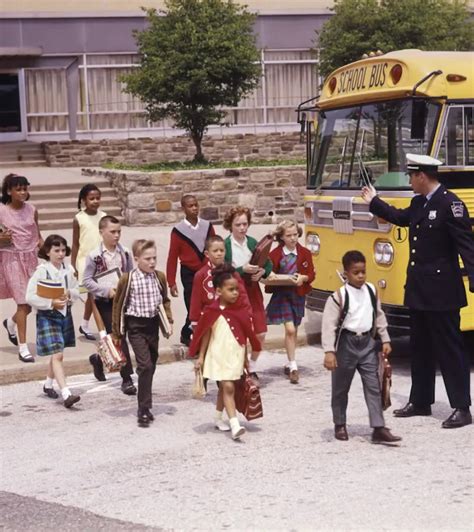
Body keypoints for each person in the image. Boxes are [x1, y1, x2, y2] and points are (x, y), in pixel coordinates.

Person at [362, 153, 474, 429]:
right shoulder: (419, 202)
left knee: (450, 350)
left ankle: (462, 407)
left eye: (411, 176)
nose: (409, 181)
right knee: (420, 347)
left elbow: (467, 246)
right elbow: (400, 218)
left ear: (422, 176)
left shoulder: (451, 205)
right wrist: (374, 201)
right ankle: (421, 400)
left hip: (442, 291)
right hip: (420, 289)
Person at [322, 250, 402, 444]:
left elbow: (379, 315)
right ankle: (340, 423)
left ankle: (378, 427)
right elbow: (328, 326)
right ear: (346, 273)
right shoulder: (338, 296)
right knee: (341, 387)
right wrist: (329, 352)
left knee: (374, 386)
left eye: (363, 272)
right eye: (355, 272)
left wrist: (385, 339)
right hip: (346, 345)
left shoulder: (371, 291)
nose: (360, 276)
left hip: (367, 344)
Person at [190, 264, 261, 440]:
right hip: (218, 354)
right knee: (227, 386)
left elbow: (245, 335)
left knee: (225, 387)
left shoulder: (240, 310)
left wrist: (246, 358)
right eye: (231, 290)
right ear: (219, 291)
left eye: (237, 289)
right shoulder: (211, 311)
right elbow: (205, 333)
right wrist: (200, 357)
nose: (235, 293)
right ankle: (235, 424)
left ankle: (217, 417)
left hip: (235, 354)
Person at [112, 239, 173, 426]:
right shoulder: (128, 278)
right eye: (147, 259)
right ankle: (143, 409)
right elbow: (118, 304)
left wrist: (168, 318)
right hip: (135, 326)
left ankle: (145, 400)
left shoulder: (159, 277)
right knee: (145, 366)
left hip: (152, 325)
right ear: (137, 259)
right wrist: (117, 331)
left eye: (154, 258)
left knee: (151, 366)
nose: (152, 262)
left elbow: (164, 299)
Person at [26, 235, 81, 408]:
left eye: (63, 250)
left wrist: (70, 294)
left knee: (57, 352)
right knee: (58, 354)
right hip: (48, 316)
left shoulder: (68, 269)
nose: (60, 254)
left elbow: (76, 289)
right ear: (47, 252)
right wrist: (50, 303)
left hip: (64, 314)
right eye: (56, 250)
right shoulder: (42, 271)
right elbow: (29, 296)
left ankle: (48, 384)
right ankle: (66, 393)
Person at [82, 215, 136, 394]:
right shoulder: (95, 256)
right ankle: (127, 378)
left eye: (119, 231)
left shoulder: (125, 253)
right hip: (105, 303)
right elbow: (87, 281)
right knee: (118, 336)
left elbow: (129, 275)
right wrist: (106, 291)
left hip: (122, 301)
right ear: (101, 232)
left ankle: (98, 358)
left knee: (120, 336)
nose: (116, 235)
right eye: (112, 232)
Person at [223, 206, 272, 385]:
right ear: (230, 226)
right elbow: (222, 271)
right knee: (240, 335)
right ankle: (242, 371)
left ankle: (252, 366)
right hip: (235, 292)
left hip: (253, 290)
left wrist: (262, 272)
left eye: (245, 224)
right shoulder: (226, 245)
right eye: (238, 224)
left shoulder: (252, 243)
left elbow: (268, 263)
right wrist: (241, 269)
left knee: (260, 332)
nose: (242, 228)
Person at [265, 220, 315, 384]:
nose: (293, 238)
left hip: (298, 295)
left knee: (294, 329)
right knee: (290, 329)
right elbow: (268, 269)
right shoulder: (276, 253)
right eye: (288, 235)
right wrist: (271, 274)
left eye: (295, 234)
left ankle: (289, 360)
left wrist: (304, 277)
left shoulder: (305, 253)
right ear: (281, 237)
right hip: (282, 295)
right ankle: (293, 366)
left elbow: (311, 274)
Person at [0, 173, 42, 363]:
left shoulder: (32, 209)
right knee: (23, 303)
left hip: (31, 258)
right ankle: (23, 347)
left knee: (31, 303)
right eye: (19, 189)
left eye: (25, 188)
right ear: (9, 191)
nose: (23, 192)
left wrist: (52, 253)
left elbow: (37, 235)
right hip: (12, 259)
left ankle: (10, 323)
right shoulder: (1, 211)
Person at [166, 195, 215, 346]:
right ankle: (190, 333)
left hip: (206, 271)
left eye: (196, 205)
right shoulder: (178, 231)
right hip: (188, 273)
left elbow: (214, 247)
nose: (194, 208)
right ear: (183, 208)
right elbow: (172, 256)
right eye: (190, 206)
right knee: (192, 305)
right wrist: (171, 282)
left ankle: (189, 333)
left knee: (206, 303)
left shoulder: (207, 226)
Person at [189, 235, 251, 328]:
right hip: (209, 320)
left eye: (222, 250)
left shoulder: (233, 273)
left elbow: (242, 295)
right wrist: (195, 322)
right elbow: (196, 301)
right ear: (207, 254)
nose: (219, 253)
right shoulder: (201, 275)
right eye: (215, 251)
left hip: (231, 318)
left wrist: (248, 315)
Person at [71, 184, 107, 341]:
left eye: (98, 198)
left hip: (102, 263)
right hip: (85, 263)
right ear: (84, 200)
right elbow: (75, 244)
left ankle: (84, 325)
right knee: (93, 297)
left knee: (94, 297)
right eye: (91, 198)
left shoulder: (104, 216)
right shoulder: (79, 218)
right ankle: (103, 334)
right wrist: (73, 265)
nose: (95, 201)